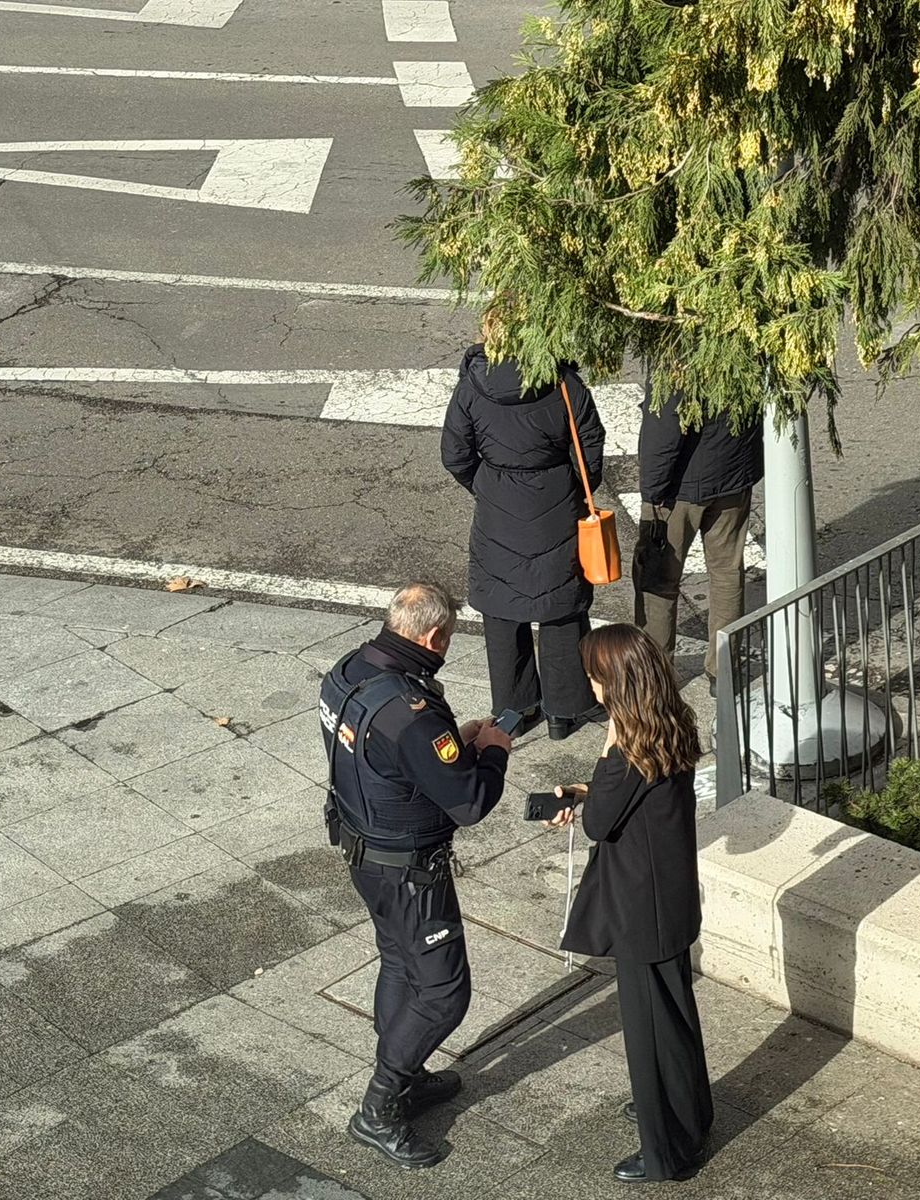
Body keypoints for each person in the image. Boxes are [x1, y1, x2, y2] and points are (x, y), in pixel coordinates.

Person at [319, 581, 513, 1170]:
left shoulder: (347, 671)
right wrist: (495, 747)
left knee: (400, 963)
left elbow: (388, 763)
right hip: (410, 871)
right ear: (433, 636)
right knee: (444, 992)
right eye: (448, 638)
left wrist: (452, 743)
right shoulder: (412, 712)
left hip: (362, 851)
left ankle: (405, 1076)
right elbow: (470, 802)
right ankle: (378, 1108)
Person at [549, 623, 713, 1183]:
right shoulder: (671, 725)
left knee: (646, 1031)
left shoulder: (624, 749)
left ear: (615, 684)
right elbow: (629, 801)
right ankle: (689, 1117)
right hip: (671, 896)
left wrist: (601, 758)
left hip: (639, 910)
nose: (590, 684)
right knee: (676, 1016)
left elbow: (599, 823)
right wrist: (593, 785)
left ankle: (665, 1151)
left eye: (596, 675)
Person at [441, 319, 608, 740]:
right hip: (555, 500)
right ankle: (565, 709)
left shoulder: (472, 387)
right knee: (561, 607)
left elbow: (455, 453)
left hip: (498, 502)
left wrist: (486, 485)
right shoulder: (563, 383)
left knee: (501, 609)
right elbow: (589, 445)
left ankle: (515, 707)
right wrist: (569, 485)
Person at [633, 375, 765, 696]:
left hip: (681, 487)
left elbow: (663, 426)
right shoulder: (743, 334)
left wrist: (651, 491)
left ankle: (656, 674)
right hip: (734, 475)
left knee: (658, 580)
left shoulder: (678, 349)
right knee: (727, 572)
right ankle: (724, 671)